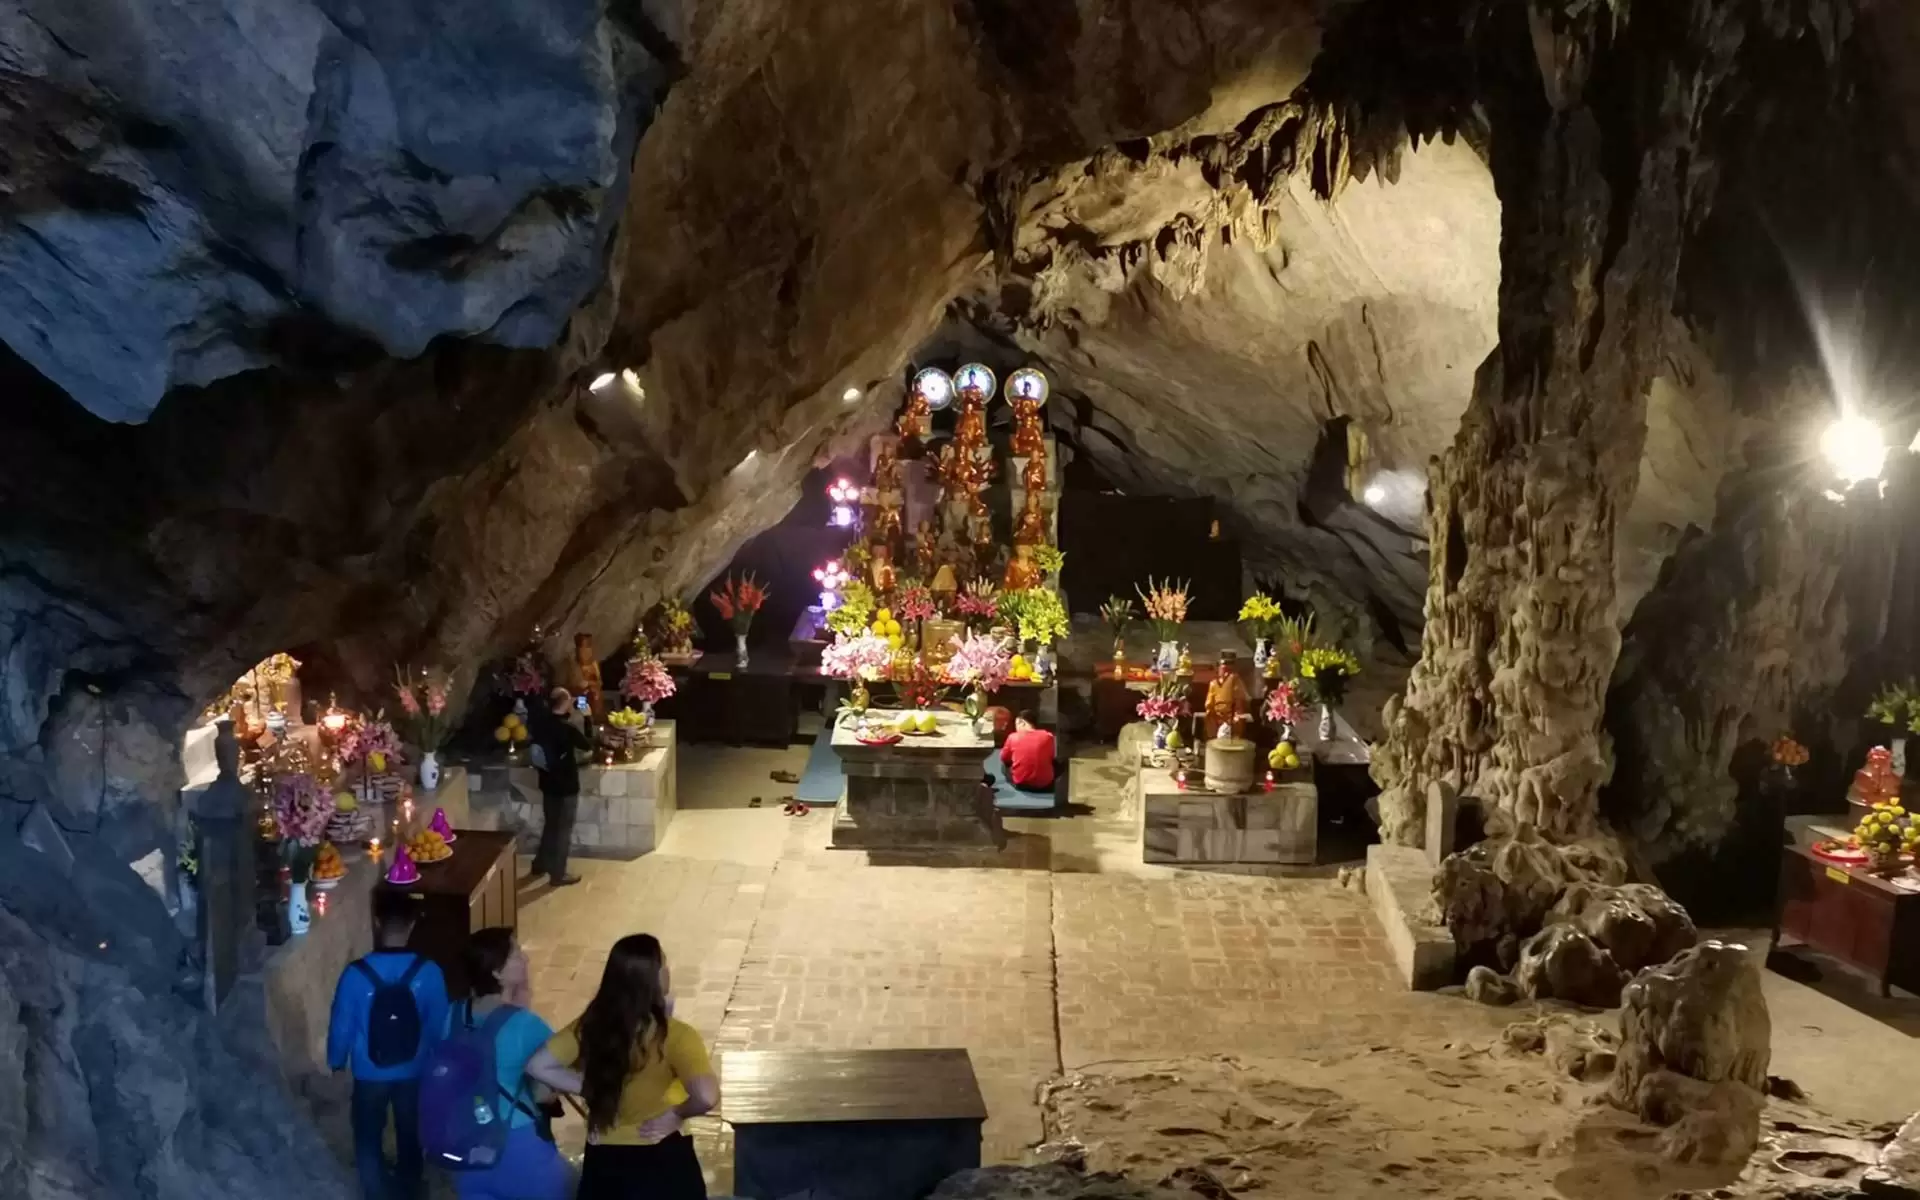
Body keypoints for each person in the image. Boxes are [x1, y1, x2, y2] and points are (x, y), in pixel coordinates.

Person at [526, 934, 719, 1200]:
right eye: (663, 963)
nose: (668, 970)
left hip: (605, 1162)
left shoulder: (591, 1026)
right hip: (661, 1156)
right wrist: (677, 1114)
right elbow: (706, 1096)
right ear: (654, 979)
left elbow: (539, 1065)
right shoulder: (678, 1036)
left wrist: (592, 1087)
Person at [328, 889, 449, 1200]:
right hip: (415, 1068)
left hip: (369, 1073)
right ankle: (411, 1187)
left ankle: (376, 1191)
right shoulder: (429, 972)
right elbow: (438, 1026)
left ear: (377, 922)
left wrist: (337, 1062)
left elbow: (341, 1025)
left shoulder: (355, 974)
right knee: (411, 1131)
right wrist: (437, 1061)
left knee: (368, 1137)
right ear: (411, 925)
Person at [440, 929, 572, 1200]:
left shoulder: (452, 1014)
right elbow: (543, 1092)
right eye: (515, 953)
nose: (525, 958)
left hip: (466, 1143)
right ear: (497, 973)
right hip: (517, 1146)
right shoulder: (526, 1026)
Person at [528, 685, 592, 886]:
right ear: (565, 704)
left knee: (551, 825)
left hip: (547, 783)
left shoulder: (540, 723)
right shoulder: (567, 729)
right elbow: (588, 744)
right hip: (566, 786)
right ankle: (558, 873)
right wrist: (587, 718)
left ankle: (539, 864)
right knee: (563, 830)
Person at [1000, 710, 1056, 791]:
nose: (1016, 728)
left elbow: (1004, 758)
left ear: (1022, 722)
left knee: (1004, 766)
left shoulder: (1013, 737)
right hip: (1046, 785)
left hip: (1022, 784)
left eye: (1016, 724)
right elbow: (1051, 757)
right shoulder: (1048, 736)